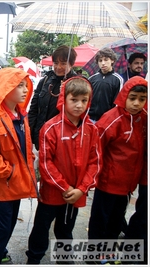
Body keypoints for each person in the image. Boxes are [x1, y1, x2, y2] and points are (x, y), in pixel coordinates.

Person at [25, 76, 101, 264]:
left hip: (75, 193)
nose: (79, 105)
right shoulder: (50, 128)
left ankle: (65, 259)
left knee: (66, 229)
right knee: (41, 228)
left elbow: (95, 162)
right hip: (53, 193)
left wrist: (81, 189)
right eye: (74, 99)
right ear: (63, 99)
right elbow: (46, 163)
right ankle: (34, 258)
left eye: (84, 100)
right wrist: (65, 188)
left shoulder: (91, 129)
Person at [0, 68, 39, 264]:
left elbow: (25, 144)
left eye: (25, 85)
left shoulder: (21, 115)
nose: (24, 89)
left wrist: (28, 163)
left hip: (17, 180)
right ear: (6, 88)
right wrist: (9, 172)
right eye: (18, 85)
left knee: (10, 222)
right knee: (2, 225)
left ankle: (0, 251)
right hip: (4, 183)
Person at [87, 76, 147, 263]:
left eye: (142, 99)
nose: (137, 103)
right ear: (124, 96)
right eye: (133, 98)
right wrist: (93, 177)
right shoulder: (111, 119)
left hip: (128, 183)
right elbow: (95, 149)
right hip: (107, 182)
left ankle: (109, 251)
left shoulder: (143, 118)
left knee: (117, 218)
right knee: (100, 219)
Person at [28, 45, 77, 151]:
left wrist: (66, 91)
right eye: (56, 63)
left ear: (71, 64)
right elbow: (34, 109)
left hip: (61, 139)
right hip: (40, 136)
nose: (59, 67)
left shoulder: (77, 83)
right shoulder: (45, 81)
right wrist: (30, 132)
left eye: (63, 63)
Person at [88, 47, 123, 122]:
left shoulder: (118, 79)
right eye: (100, 61)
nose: (103, 63)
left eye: (106, 60)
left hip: (106, 120)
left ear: (112, 60)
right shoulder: (92, 78)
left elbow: (117, 103)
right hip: (89, 118)